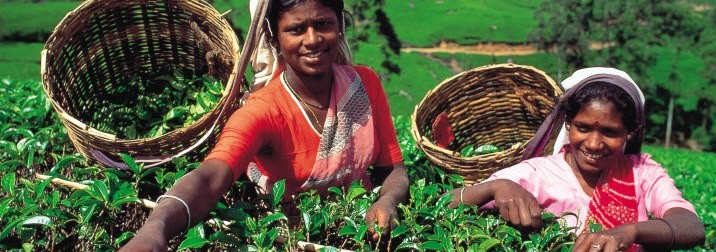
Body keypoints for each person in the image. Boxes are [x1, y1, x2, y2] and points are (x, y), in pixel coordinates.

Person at [120, 0, 408, 250]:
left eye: (323, 24)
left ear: (340, 25)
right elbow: (210, 177)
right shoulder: (264, 111)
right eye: (296, 29)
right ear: (274, 37)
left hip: (360, 233)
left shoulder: (364, 84)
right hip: (293, 239)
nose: (313, 39)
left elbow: (392, 169)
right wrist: (155, 229)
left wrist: (388, 201)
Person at [445, 67, 705, 251]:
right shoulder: (538, 174)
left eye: (610, 132)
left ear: (630, 132)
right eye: (583, 128)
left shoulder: (642, 172)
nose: (594, 143)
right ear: (568, 124)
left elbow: (691, 226)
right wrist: (494, 187)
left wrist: (631, 231)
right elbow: (447, 203)